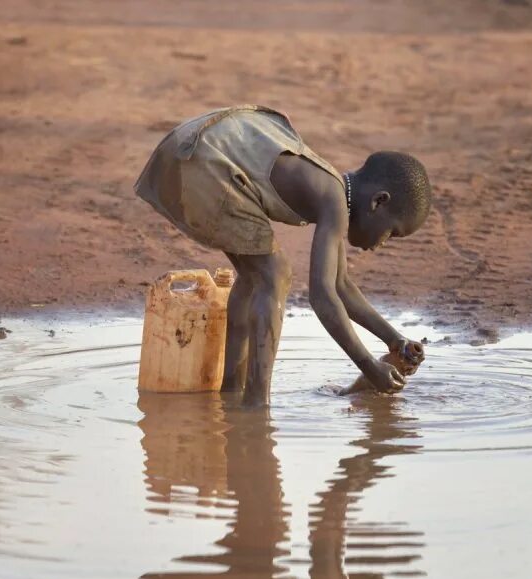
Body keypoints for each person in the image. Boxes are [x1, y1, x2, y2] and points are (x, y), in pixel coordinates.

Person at [135, 105, 431, 406]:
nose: (383, 243)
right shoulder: (334, 203)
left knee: (254, 279)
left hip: (187, 149)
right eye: (391, 232)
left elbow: (341, 287)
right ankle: (256, 406)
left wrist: (395, 340)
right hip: (203, 162)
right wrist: (368, 365)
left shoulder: (333, 191)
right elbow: (323, 297)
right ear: (379, 202)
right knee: (274, 274)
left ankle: (231, 393)